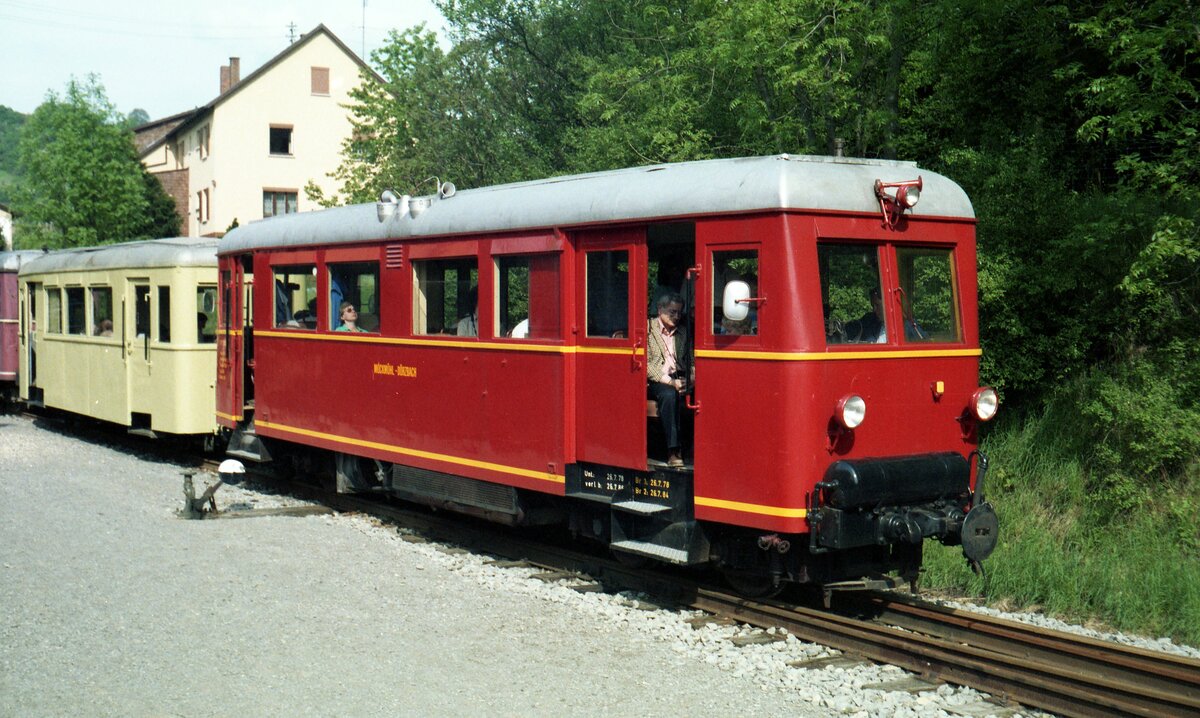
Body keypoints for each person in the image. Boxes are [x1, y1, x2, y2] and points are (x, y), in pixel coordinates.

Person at [647, 293, 688, 468]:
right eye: (672, 312)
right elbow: (646, 365)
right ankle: (673, 450)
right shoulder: (647, 329)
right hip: (656, 381)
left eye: (679, 313)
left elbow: (691, 359)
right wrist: (670, 382)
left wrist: (691, 377)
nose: (677, 317)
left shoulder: (683, 332)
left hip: (680, 376)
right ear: (660, 309)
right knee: (670, 395)